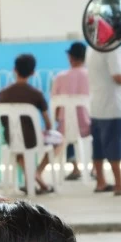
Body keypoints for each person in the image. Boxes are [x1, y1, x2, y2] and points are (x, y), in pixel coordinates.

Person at [88, 43, 121, 196]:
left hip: (97, 105)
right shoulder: (112, 49)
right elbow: (118, 77)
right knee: (114, 147)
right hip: (113, 106)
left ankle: (101, 182)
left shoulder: (92, 47)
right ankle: (119, 185)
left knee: (98, 147)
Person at [0, 53, 54, 195]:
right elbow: (48, 124)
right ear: (33, 73)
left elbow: (3, 122)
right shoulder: (36, 94)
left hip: (11, 139)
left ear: (14, 69)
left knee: (19, 148)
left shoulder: (3, 94)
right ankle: (37, 175)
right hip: (33, 140)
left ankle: (35, 179)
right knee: (58, 140)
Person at [51, 41, 91, 181]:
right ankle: (95, 168)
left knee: (65, 125)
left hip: (64, 129)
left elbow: (54, 105)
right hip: (88, 127)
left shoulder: (60, 77)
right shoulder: (90, 76)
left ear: (70, 57)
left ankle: (74, 167)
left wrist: (57, 119)